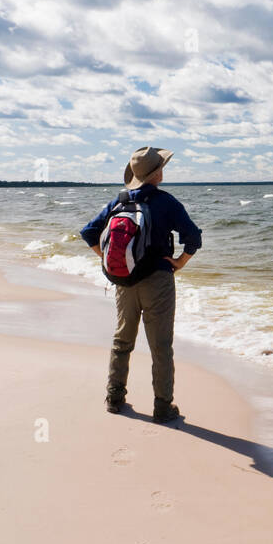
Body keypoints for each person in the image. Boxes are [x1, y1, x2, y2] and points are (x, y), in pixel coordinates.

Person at [80, 146, 202, 421]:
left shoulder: (119, 201)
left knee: (122, 340)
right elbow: (193, 237)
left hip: (124, 281)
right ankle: (162, 406)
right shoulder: (166, 202)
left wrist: (109, 262)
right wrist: (181, 261)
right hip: (157, 281)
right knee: (160, 345)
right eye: (161, 167)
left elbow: (89, 232)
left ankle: (114, 397)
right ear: (157, 173)